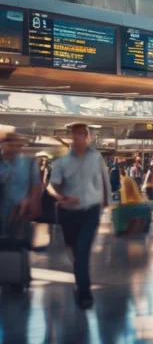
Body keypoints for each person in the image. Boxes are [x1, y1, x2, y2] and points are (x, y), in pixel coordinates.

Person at [47, 123, 110, 310]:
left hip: (90, 211)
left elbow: (104, 180)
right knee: (75, 253)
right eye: (74, 136)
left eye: (81, 135)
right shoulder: (61, 162)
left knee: (82, 251)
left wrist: (105, 205)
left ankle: (84, 294)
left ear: (87, 137)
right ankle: (79, 282)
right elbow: (52, 186)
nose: (77, 139)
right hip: (68, 214)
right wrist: (62, 198)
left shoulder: (96, 157)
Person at [0, 132, 42, 238]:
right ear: (3, 145)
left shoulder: (29, 163)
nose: (14, 149)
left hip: (20, 211)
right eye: (11, 145)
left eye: (18, 146)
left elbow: (36, 186)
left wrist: (30, 200)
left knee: (17, 242)